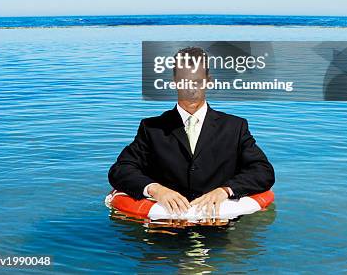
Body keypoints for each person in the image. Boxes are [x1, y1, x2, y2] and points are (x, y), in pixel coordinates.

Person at [108, 47, 275, 217]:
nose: (191, 88)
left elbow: (263, 171)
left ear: (209, 81)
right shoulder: (152, 128)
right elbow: (120, 170)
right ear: (174, 82)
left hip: (220, 227)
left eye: (197, 81)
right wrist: (156, 190)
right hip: (165, 228)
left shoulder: (234, 127)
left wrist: (225, 191)